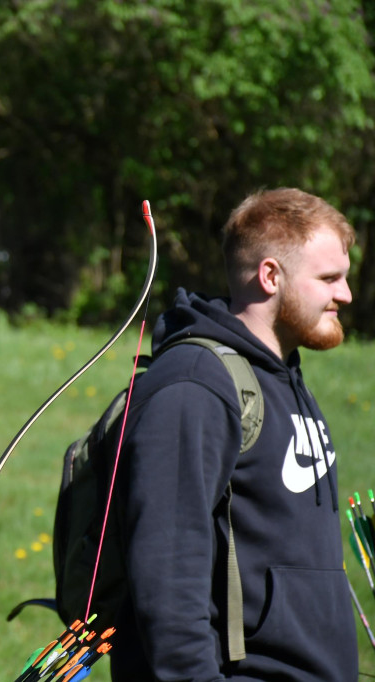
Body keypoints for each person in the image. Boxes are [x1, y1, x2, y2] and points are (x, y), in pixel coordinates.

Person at [111, 188, 358, 681]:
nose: (346, 294)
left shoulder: (284, 376)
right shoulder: (194, 385)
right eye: (330, 278)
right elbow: (167, 579)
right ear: (271, 276)